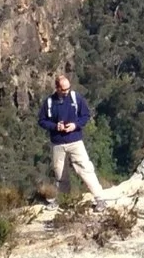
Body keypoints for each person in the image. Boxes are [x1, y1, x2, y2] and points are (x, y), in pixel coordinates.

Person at [39, 73, 106, 205]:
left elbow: (85, 115)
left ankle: (100, 198)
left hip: (75, 141)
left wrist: (75, 125)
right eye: (64, 89)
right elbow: (42, 121)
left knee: (85, 168)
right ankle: (63, 200)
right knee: (60, 174)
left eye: (68, 88)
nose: (66, 92)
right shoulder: (49, 102)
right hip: (58, 143)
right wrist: (55, 126)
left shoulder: (76, 98)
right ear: (57, 88)